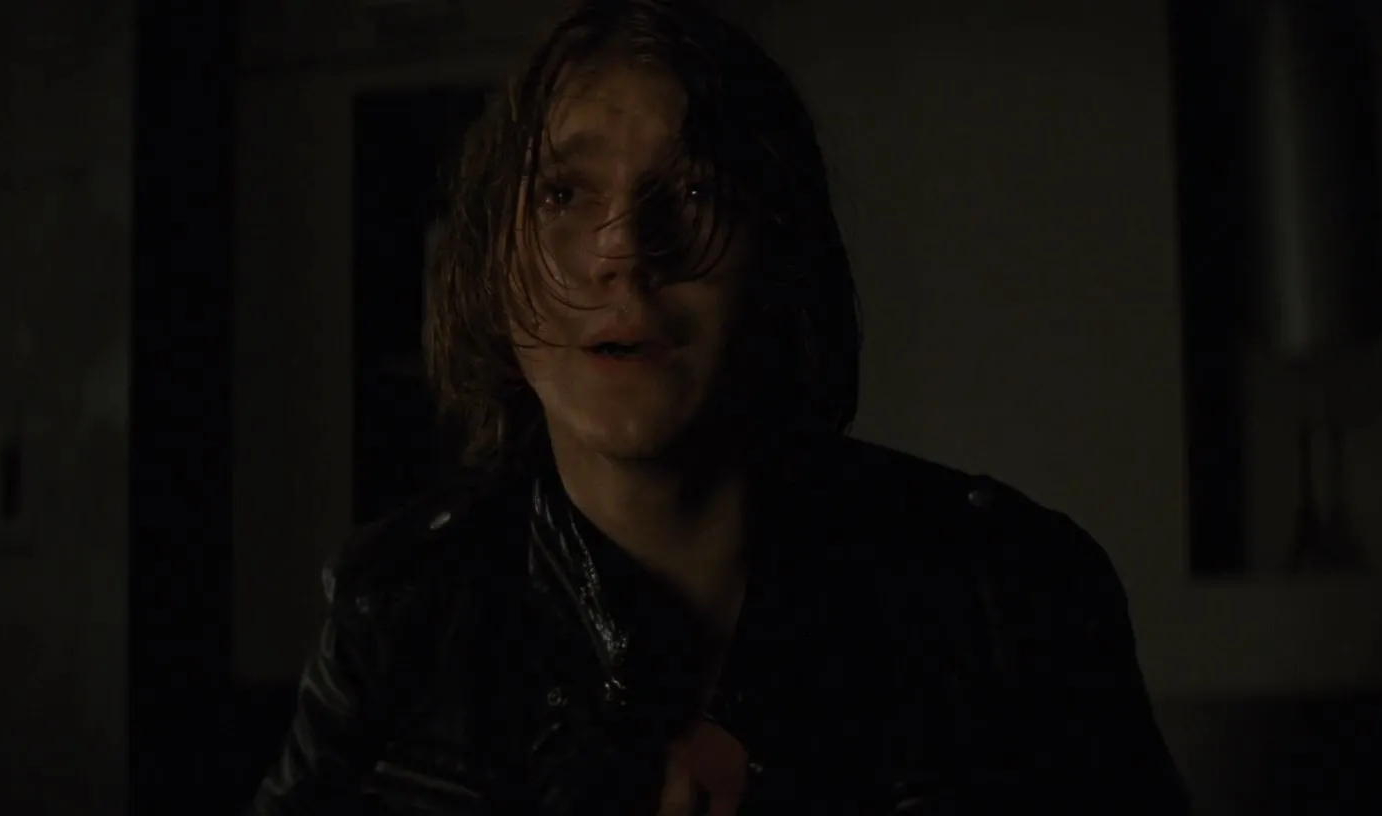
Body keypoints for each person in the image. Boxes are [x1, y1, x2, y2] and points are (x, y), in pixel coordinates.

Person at [250, 0, 1191, 812]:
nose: (623, 247)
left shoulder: (1007, 595)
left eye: (695, 189)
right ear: (492, 265)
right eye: (563, 193)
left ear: (778, 255)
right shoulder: (402, 613)